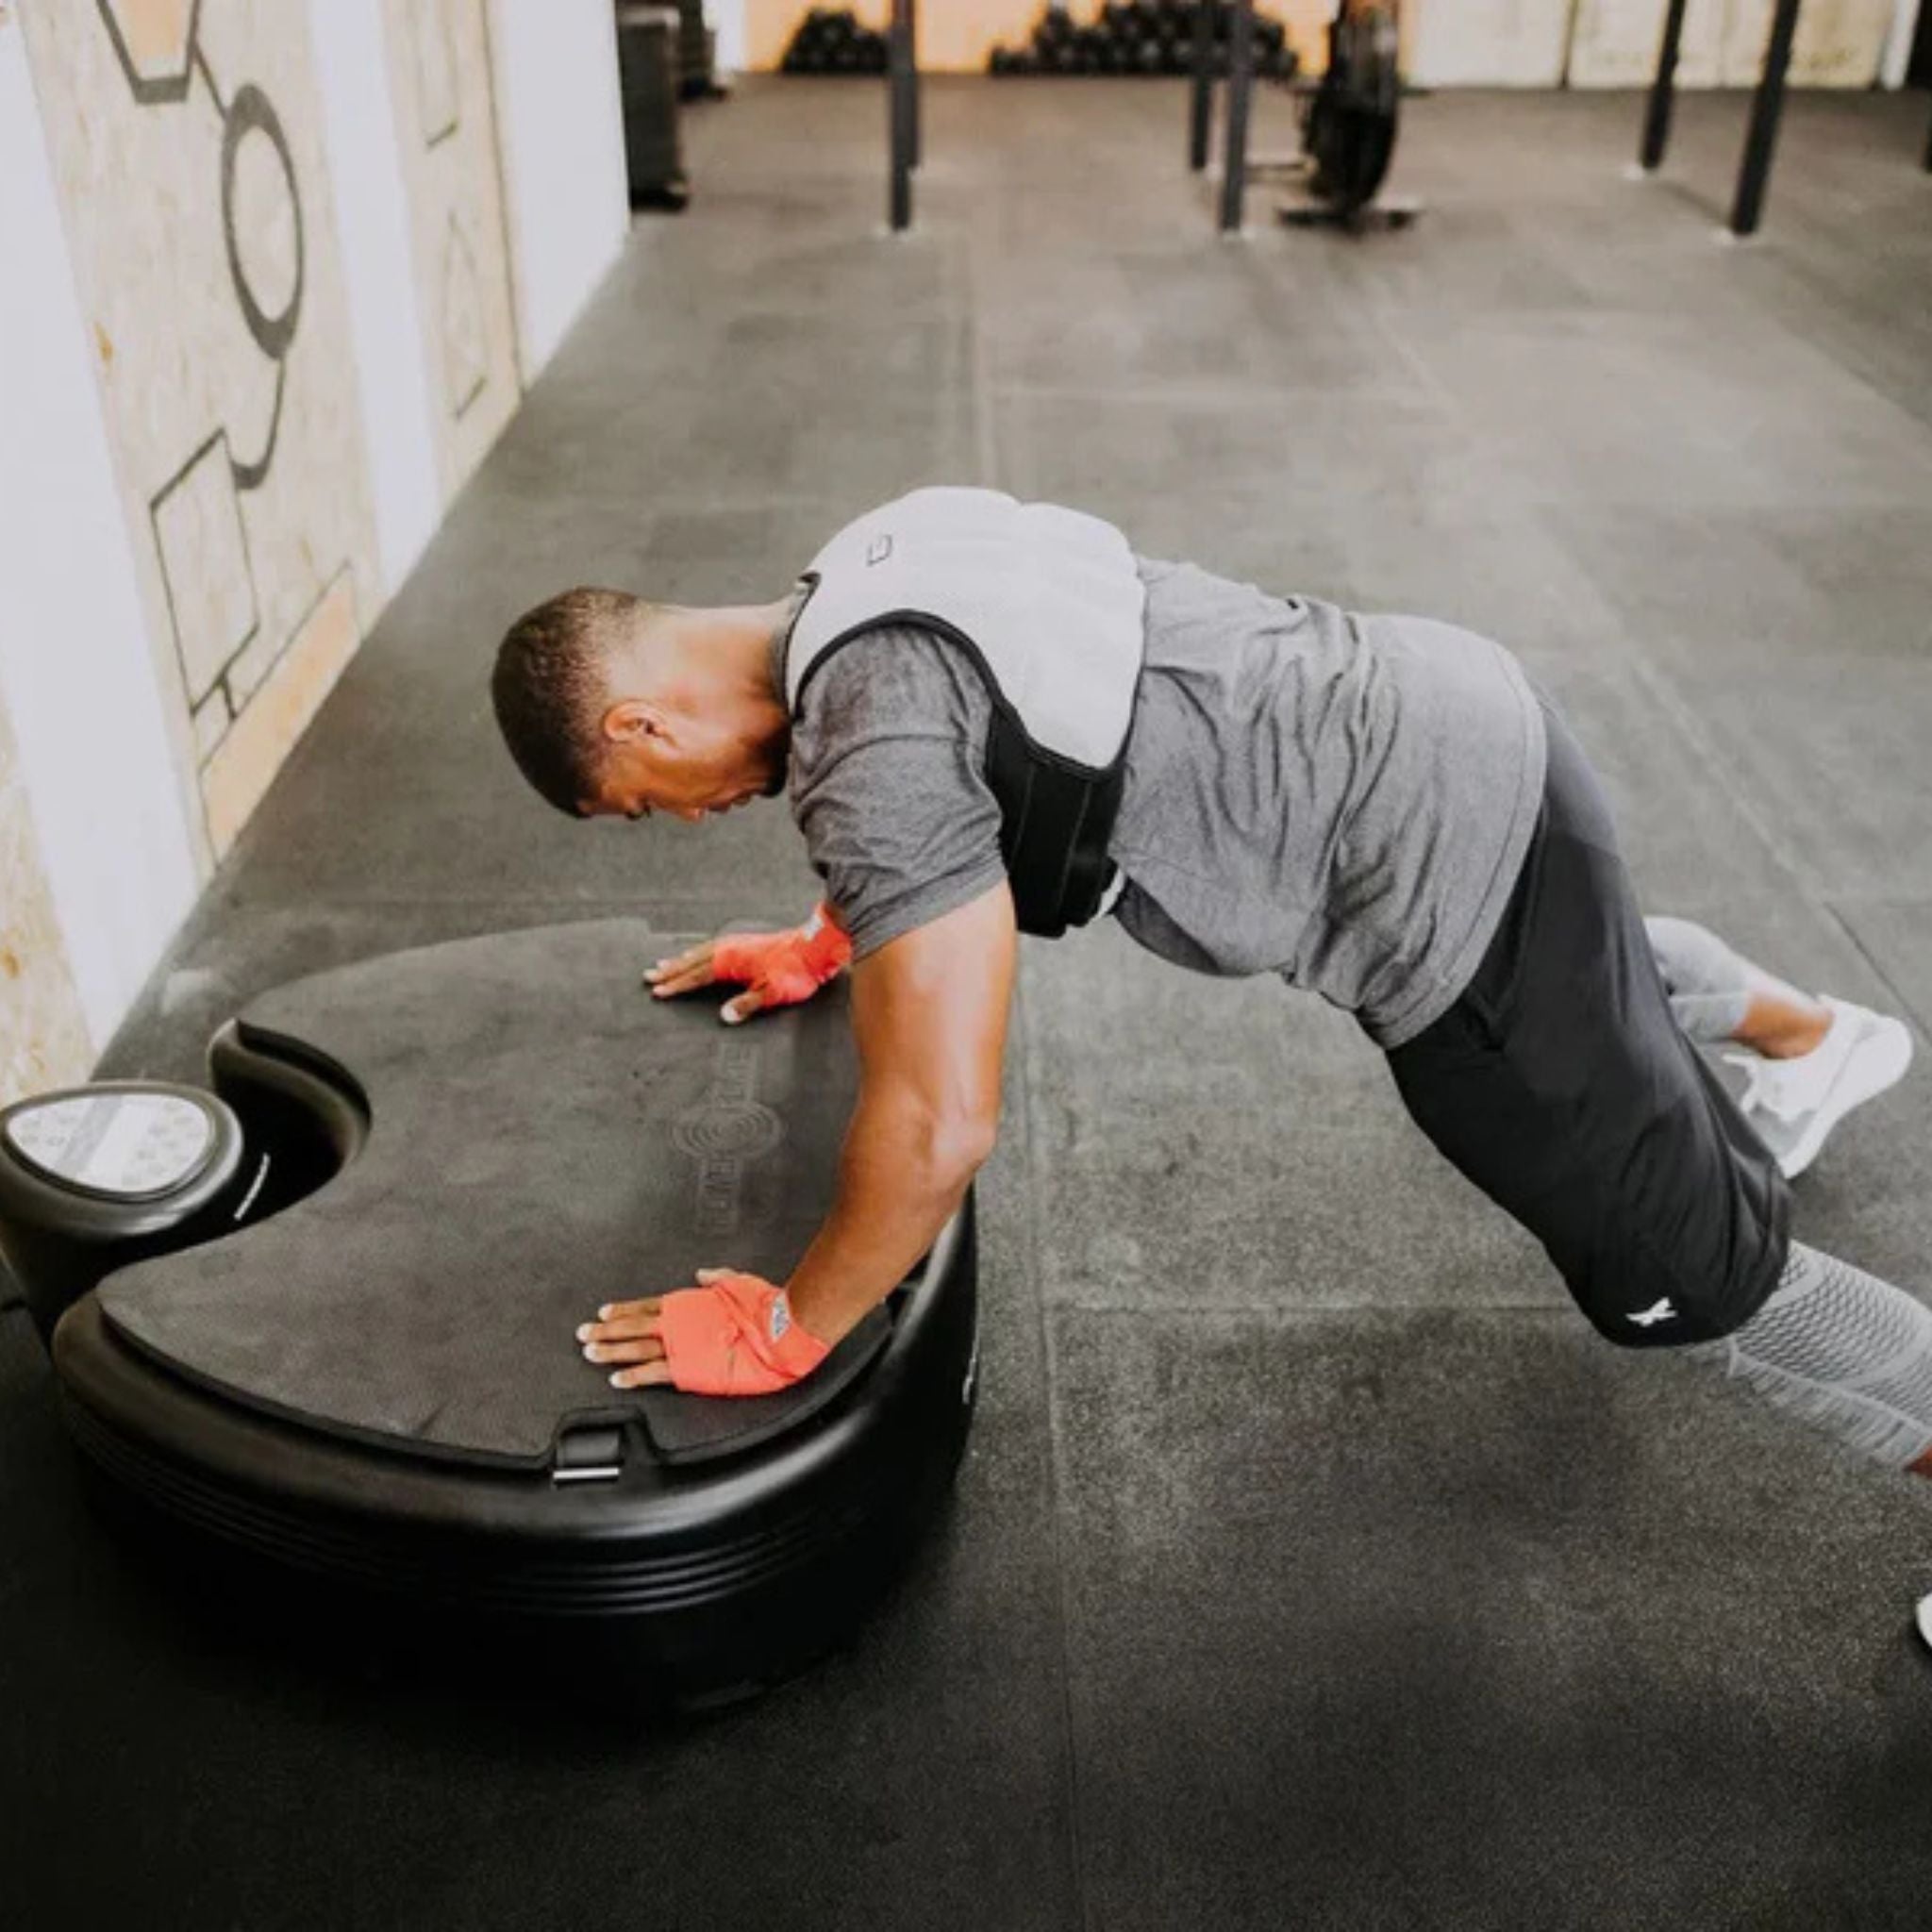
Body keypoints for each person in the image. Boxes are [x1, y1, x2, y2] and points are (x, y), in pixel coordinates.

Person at [490, 488, 1927, 1514]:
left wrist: (788, 1330)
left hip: (1440, 893)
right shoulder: (867, 565)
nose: (677, 822)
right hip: (1467, 715)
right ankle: (1812, 1036)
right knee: (1586, 964)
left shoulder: (870, 746)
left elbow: (940, 1124)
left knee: (1728, 1287)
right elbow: (957, 768)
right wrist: (835, 935)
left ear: (641, 722)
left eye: (640, 807)